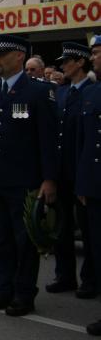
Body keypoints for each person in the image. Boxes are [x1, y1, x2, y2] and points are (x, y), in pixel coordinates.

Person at [0, 35, 58, 318]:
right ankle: (3, 288)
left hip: (24, 180)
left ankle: (23, 293)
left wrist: (49, 179)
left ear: (19, 56)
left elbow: (47, 140)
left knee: (23, 241)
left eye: (2, 55)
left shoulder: (37, 93)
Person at [48, 42, 95, 297]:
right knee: (62, 227)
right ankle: (65, 275)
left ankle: (90, 278)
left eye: (67, 61)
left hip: (82, 171)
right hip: (62, 170)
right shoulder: (62, 93)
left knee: (88, 230)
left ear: (79, 62)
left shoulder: (91, 91)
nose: (62, 66)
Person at [77, 35, 101, 334]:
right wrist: (82, 184)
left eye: (97, 52)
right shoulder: (92, 93)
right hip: (94, 186)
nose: (93, 57)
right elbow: (86, 144)